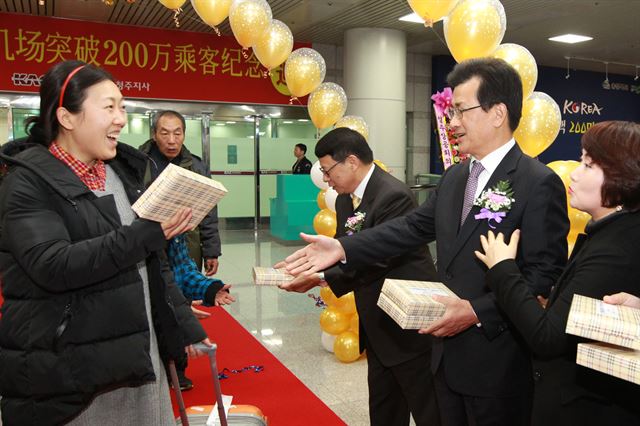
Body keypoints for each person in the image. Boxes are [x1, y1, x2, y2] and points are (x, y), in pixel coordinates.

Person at [282, 57, 570, 426]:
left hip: (496, 364)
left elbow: (543, 280)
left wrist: (475, 311)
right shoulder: (454, 178)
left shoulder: (537, 182)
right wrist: (343, 247)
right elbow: (409, 228)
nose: (452, 123)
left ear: (498, 113)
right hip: (443, 357)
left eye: (461, 111)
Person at [0, 60, 210, 425]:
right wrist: (144, 234)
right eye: (109, 106)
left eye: (123, 106)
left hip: (138, 357)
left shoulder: (124, 172)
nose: (121, 119)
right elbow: (53, 265)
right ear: (67, 117)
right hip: (74, 369)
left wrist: (182, 323)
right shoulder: (27, 183)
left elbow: (153, 263)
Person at [475, 121, 640, 425]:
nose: (575, 173)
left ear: (623, 176)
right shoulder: (609, 232)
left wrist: (502, 268)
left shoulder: (616, 248)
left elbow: (548, 337)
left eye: (589, 165)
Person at [280, 127, 440, 426]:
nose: (326, 179)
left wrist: (320, 277)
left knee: (427, 407)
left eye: (328, 171)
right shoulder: (343, 200)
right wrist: (316, 270)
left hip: (407, 323)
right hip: (375, 320)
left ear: (351, 162)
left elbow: (381, 257)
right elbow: (344, 252)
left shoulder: (394, 195)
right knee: (384, 405)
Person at [139, 110, 221, 275]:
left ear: (183, 134)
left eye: (177, 133)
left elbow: (208, 212)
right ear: (154, 135)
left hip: (187, 246)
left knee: (187, 295)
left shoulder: (197, 167)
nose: (172, 141)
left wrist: (211, 251)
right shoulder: (138, 163)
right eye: (164, 133)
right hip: (148, 245)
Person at [165, 234, 235, 390]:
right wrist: (180, 305)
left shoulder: (176, 231)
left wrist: (209, 289)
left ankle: (176, 368)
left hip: (172, 305)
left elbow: (183, 270)